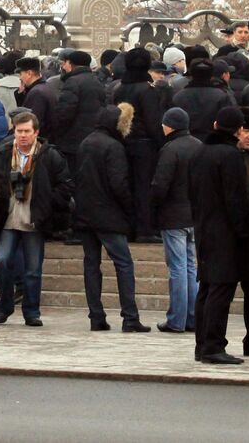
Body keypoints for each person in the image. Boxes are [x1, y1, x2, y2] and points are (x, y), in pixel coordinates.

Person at [190, 107, 249, 364]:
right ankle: (213, 346)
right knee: (221, 289)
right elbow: (236, 200)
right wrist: (245, 232)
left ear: (215, 123)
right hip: (226, 234)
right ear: (238, 130)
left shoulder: (200, 152)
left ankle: (202, 346)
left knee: (207, 288)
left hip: (203, 228)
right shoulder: (230, 156)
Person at [72, 103, 150, 332]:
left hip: (86, 214)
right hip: (109, 216)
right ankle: (130, 317)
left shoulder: (86, 142)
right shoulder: (114, 146)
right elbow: (119, 184)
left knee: (91, 264)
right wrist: (130, 211)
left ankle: (96, 316)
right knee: (124, 263)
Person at [0, 111, 73, 326]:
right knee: (3, 261)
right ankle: (4, 307)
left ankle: (32, 311)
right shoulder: (4, 153)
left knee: (33, 269)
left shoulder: (49, 155)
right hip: (9, 218)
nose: (23, 136)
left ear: (36, 132)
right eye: (19, 131)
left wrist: (47, 204)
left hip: (35, 218)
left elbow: (65, 186)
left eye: (27, 131)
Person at [150, 107, 201, 333]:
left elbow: (161, 185)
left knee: (178, 268)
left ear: (169, 125)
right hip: (195, 216)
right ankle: (193, 318)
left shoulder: (170, 149)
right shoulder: (199, 146)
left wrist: (153, 205)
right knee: (191, 266)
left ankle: (176, 319)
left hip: (173, 218)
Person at [115, 48, 167, 243]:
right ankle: (145, 229)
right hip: (145, 145)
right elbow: (154, 121)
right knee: (144, 187)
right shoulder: (147, 90)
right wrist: (161, 143)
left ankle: (129, 226)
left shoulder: (120, 88)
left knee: (128, 185)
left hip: (123, 142)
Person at [53, 50, 103, 169]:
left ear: (70, 64)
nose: (64, 66)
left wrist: (57, 134)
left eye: (65, 63)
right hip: (92, 138)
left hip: (73, 141)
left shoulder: (72, 82)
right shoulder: (96, 81)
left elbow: (64, 113)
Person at [15, 56, 57, 134]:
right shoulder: (45, 87)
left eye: (20, 74)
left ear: (29, 73)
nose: (20, 77)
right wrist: (21, 94)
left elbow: (31, 121)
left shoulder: (37, 92)